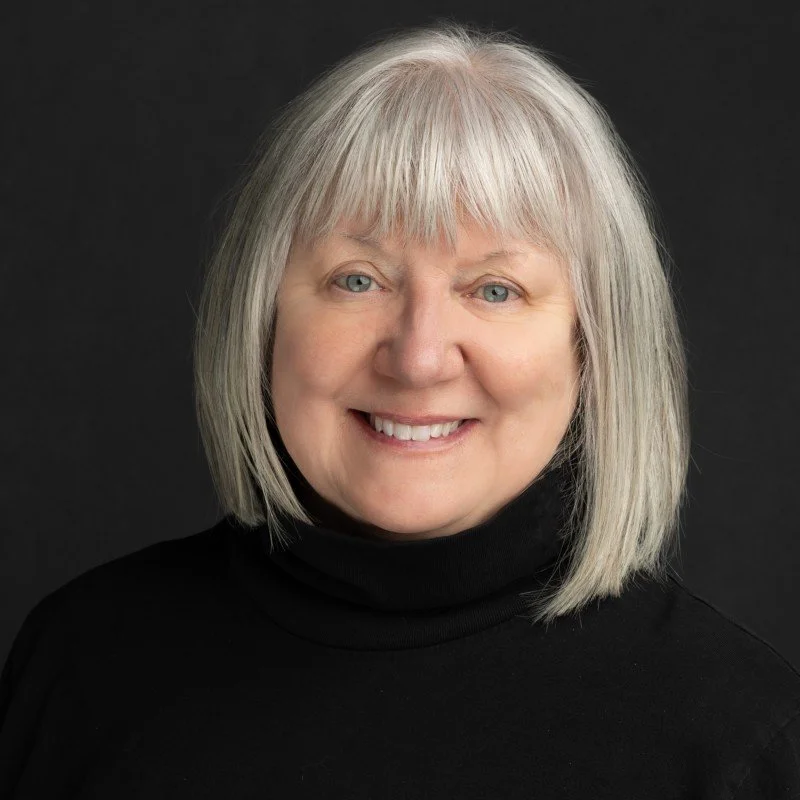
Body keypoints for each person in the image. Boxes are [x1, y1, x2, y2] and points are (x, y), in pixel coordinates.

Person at [1, 19, 798, 799]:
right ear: (263, 318)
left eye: (494, 289)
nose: (417, 358)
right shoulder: (80, 666)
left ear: (592, 350)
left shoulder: (738, 738)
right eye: (358, 279)